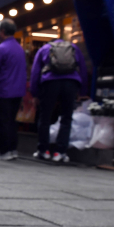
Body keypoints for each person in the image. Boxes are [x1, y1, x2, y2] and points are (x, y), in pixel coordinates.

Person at [30, 34, 88, 162]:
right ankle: (60, 152)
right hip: (71, 83)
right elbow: (82, 68)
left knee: (45, 117)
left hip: (50, 82)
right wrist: (82, 91)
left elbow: (35, 72)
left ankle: (43, 150)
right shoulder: (74, 48)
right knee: (66, 118)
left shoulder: (44, 49)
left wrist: (35, 93)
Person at [0, 19, 27, 161]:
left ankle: (3, 150)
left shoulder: (1, 49)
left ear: (2, 32)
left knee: (2, 120)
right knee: (12, 121)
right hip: (18, 90)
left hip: (4, 89)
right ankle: (12, 149)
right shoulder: (19, 48)